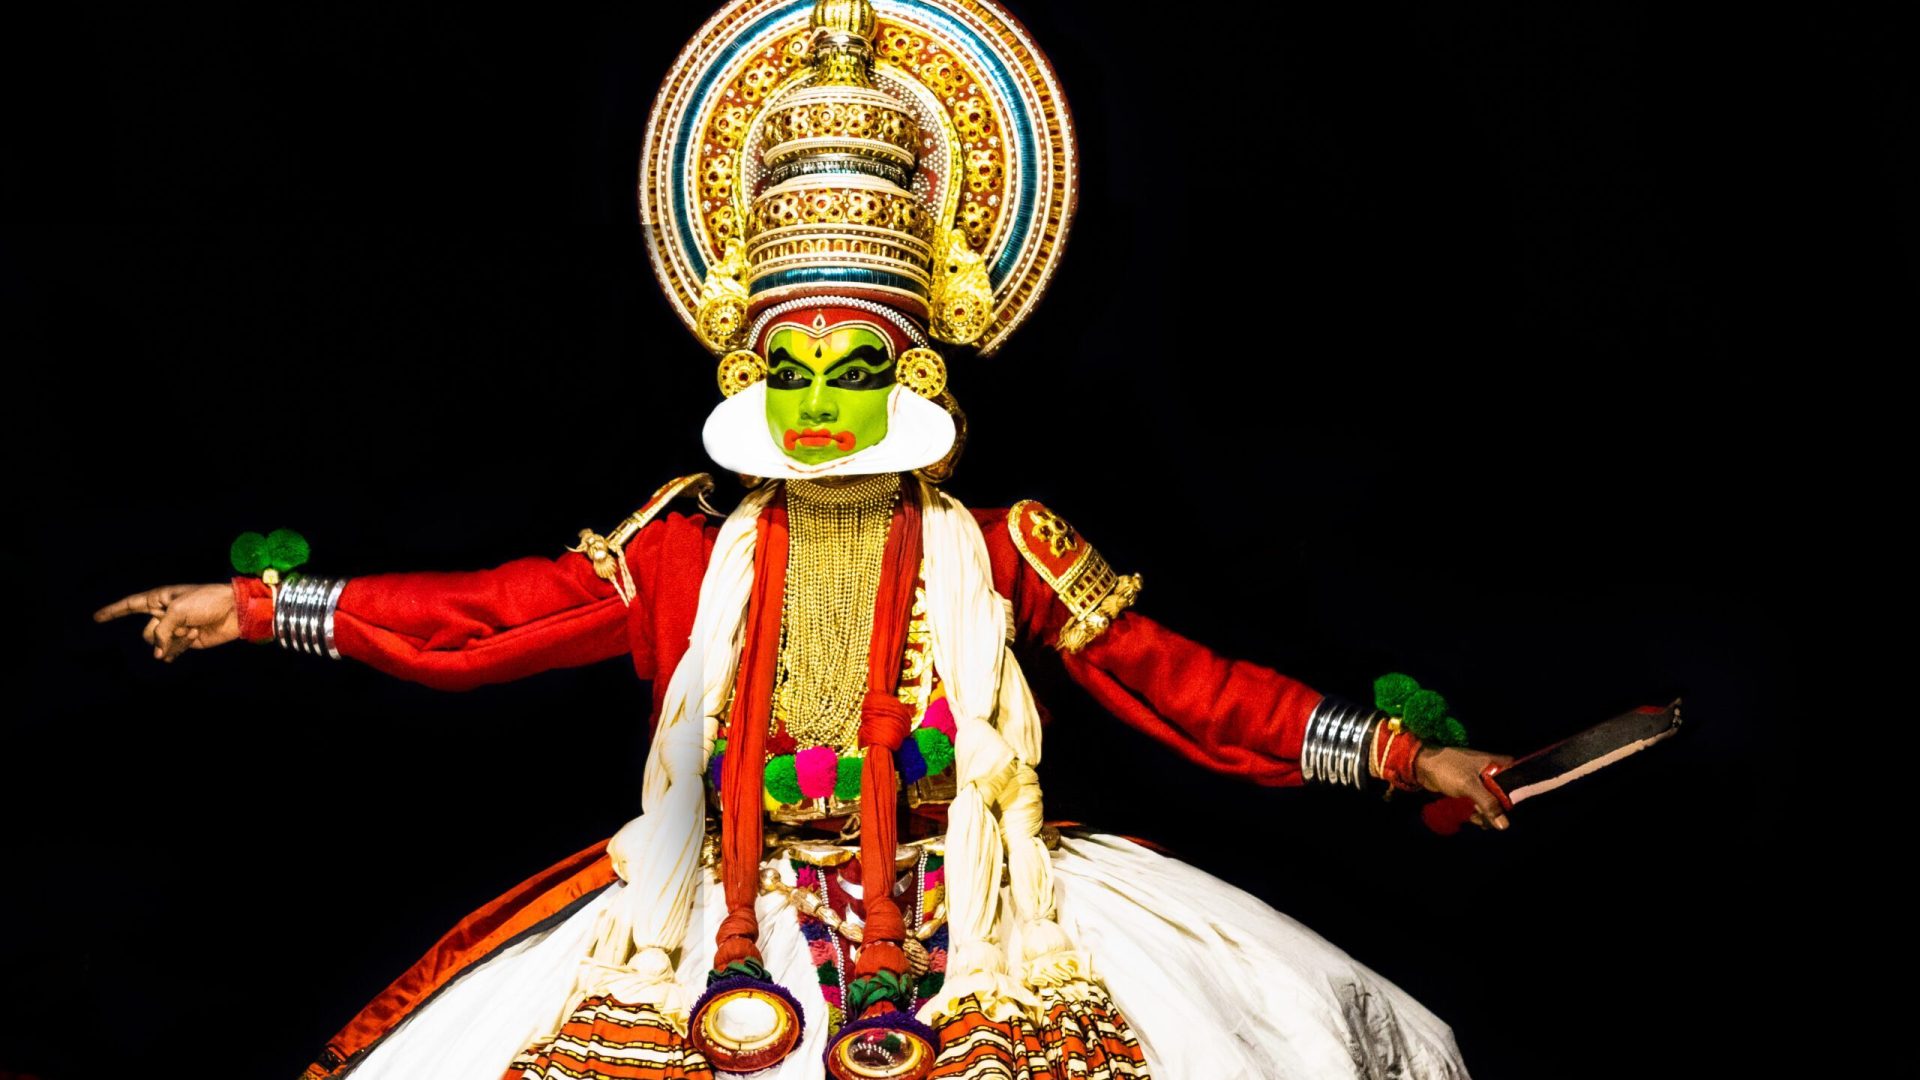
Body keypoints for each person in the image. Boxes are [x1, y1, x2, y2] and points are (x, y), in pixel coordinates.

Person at [94, 3, 1511, 1077]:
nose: (821, 404)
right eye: (793, 371)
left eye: (855, 370)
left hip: (985, 914)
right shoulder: (683, 555)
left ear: (917, 381)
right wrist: (261, 606)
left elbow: (1179, 686)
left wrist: (1400, 755)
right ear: (746, 381)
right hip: (717, 920)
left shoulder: (1003, 545)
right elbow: (482, 618)